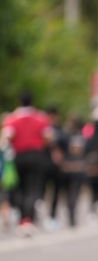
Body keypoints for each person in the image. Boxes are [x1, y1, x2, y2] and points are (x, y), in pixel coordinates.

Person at [1, 93, 52, 236]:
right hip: (36, 156)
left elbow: (6, 137)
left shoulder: (12, 119)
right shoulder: (40, 118)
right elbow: (48, 137)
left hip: (19, 156)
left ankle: (22, 219)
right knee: (33, 188)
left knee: (20, 188)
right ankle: (28, 219)